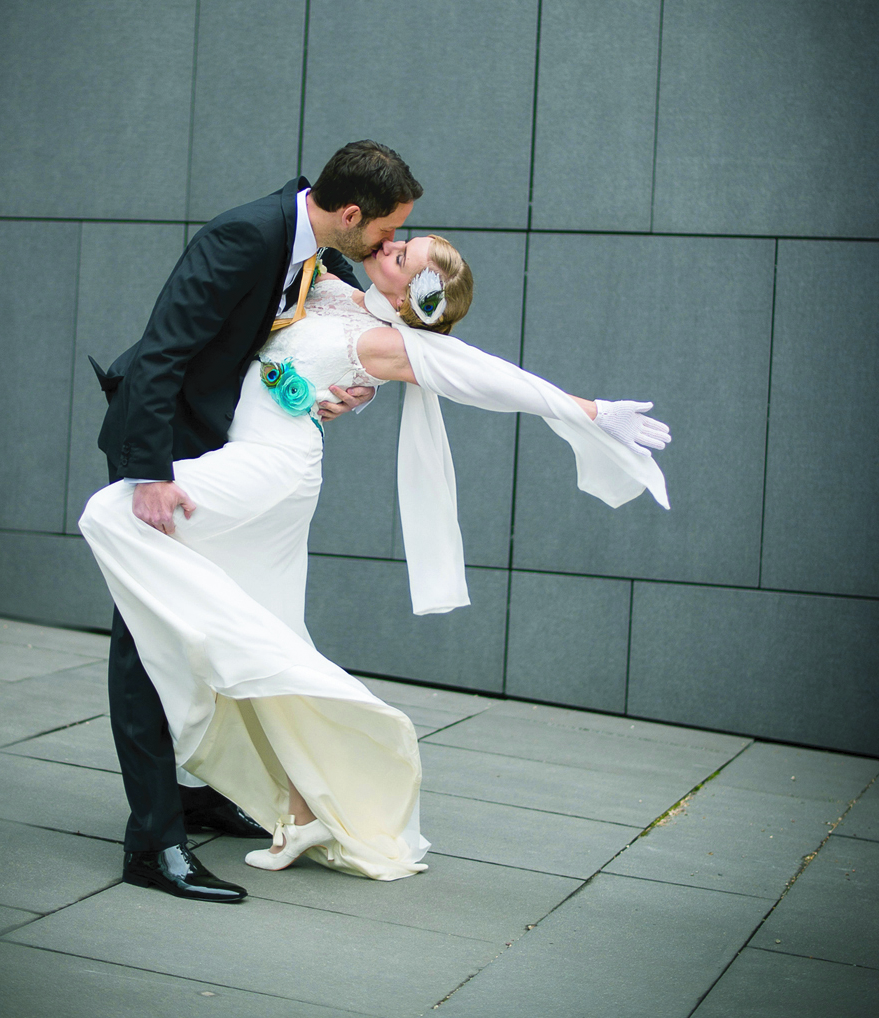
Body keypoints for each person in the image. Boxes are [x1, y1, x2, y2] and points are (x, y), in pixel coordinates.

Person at [80, 229, 671, 885]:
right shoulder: (336, 291)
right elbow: (292, 279)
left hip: (270, 471)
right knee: (282, 638)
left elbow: (483, 375)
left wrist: (590, 412)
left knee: (112, 512)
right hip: (252, 467)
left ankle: (210, 651)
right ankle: (306, 810)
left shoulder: (390, 342)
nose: (390, 247)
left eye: (404, 257)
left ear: (412, 296)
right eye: (402, 241)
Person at [87, 140, 423, 901]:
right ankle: (154, 844)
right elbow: (166, 345)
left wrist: (346, 392)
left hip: (225, 455)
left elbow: (294, 346)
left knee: (219, 624)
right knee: (145, 640)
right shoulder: (246, 235)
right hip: (165, 449)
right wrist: (148, 474)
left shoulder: (323, 256)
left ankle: (196, 793)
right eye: (386, 230)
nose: (388, 245)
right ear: (349, 213)